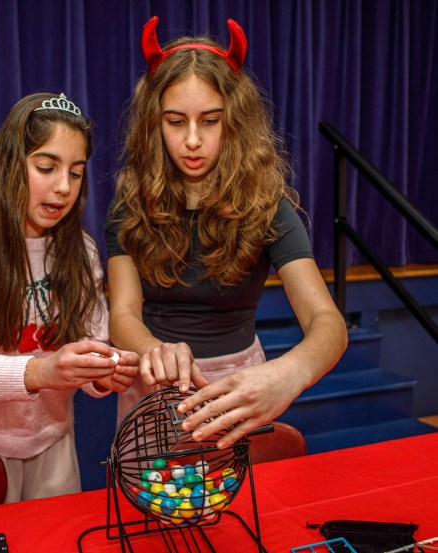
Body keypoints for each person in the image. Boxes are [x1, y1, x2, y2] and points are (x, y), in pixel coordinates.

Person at [105, 17, 348, 449]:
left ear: (233, 122)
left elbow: (327, 323)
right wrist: (154, 349)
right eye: (176, 121)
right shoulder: (130, 206)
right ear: (154, 123)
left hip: (242, 387)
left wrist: (287, 375)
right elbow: (123, 313)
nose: (193, 140)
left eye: (210, 121)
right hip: (153, 384)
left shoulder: (267, 206)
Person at [0, 92, 139, 501]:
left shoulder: (82, 251)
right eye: (46, 167)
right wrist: (40, 372)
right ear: (9, 165)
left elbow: (91, 344)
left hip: (55, 446)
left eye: (76, 173)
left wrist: (102, 372)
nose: (63, 188)